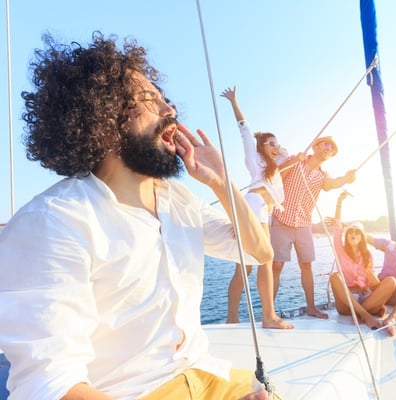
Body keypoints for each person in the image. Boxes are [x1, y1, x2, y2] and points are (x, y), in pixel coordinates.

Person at [0, 33, 269, 400]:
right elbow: (51, 386)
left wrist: (223, 184)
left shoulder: (179, 202)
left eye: (165, 100)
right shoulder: (54, 221)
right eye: (148, 99)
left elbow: (259, 252)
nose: (169, 110)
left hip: (206, 375)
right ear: (102, 115)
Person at [220, 85, 301, 329]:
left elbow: (286, 154)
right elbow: (245, 132)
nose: (276, 147)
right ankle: (269, 317)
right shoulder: (254, 160)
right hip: (254, 206)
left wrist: (275, 147)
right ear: (260, 147)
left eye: (277, 143)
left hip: (261, 211)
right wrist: (235, 102)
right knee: (264, 261)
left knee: (245, 268)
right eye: (270, 143)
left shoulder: (274, 168)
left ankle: (233, 318)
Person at [271, 136, 356, 319]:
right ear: (316, 146)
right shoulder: (296, 160)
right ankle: (269, 311)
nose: (329, 149)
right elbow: (277, 176)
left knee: (307, 265)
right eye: (327, 144)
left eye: (332, 149)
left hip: (303, 225)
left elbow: (332, 184)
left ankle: (311, 307)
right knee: (276, 266)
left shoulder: (322, 175)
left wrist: (346, 179)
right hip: (281, 219)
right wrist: (295, 160)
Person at [325, 191, 396, 330]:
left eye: (357, 232)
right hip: (347, 301)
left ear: (362, 237)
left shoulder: (367, 255)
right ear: (347, 236)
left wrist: (371, 276)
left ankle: (360, 312)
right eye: (351, 231)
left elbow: (375, 284)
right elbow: (338, 226)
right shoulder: (340, 250)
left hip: (365, 295)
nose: (353, 234)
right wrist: (339, 202)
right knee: (335, 277)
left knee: (391, 281)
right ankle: (367, 314)